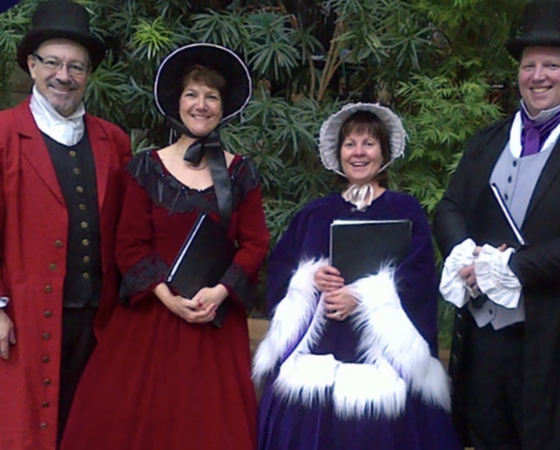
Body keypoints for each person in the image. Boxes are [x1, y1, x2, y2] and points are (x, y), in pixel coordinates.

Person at [60, 43, 270, 450]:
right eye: (193, 94)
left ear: (223, 106)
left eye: (211, 96)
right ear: (178, 102)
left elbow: (255, 241)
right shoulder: (145, 167)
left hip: (214, 322)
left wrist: (220, 291)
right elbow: (130, 243)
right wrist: (168, 297)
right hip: (151, 318)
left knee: (207, 427)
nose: (201, 105)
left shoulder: (241, 172)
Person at [433, 1, 560, 449]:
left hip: (558, 338)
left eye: (552, 64)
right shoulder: (488, 139)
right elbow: (449, 207)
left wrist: (513, 269)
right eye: (530, 65)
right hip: (487, 341)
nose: (538, 75)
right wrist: (465, 252)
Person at [253, 103, 461, 450]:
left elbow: (419, 274)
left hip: (382, 357)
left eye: (369, 144)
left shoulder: (404, 210)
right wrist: (309, 281)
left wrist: (364, 297)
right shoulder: (314, 213)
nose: (359, 153)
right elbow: (281, 270)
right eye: (350, 144)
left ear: (384, 153)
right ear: (339, 153)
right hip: (318, 353)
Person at [0, 1, 131, 449]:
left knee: (87, 428)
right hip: (23, 314)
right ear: (32, 66)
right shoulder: (3, 134)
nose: (64, 75)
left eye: (76, 66)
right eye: (53, 63)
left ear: (88, 73)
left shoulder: (113, 140)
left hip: (96, 318)